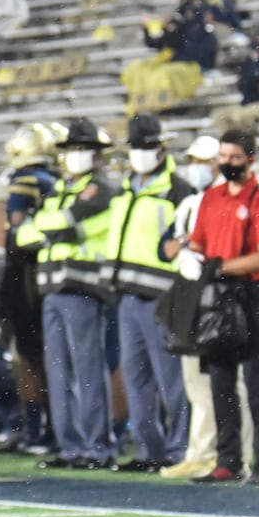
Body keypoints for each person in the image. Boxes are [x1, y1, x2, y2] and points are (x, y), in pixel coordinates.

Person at [178, 130, 259, 485]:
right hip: (217, 295)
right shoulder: (212, 197)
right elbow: (198, 244)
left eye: (235, 158)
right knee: (220, 380)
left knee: (257, 379)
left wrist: (219, 266)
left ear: (251, 159)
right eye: (223, 157)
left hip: (252, 293)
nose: (227, 164)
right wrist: (193, 260)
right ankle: (228, 460)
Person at [15, 118, 117, 470]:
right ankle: (71, 446)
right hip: (54, 287)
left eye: (84, 150)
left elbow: (56, 224)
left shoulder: (103, 189)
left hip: (83, 286)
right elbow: (24, 236)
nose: (77, 155)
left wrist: (52, 228)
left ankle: (97, 447)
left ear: (97, 155)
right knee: (58, 370)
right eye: (73, 149)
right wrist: (57, 228)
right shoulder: (59, 190)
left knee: (86, 369)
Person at [105, 115, 192, 472]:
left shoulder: (178, 190)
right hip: (128, 296)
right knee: (136, 377)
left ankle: (179, 450)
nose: (140, 153)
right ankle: (149, 450)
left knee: (171, 379)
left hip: (163, 296)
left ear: (162, 147)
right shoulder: (126, 188)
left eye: (147, 146)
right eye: (136, 147)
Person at [159, 136, 230, 479]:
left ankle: (225, 453)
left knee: (221, 380)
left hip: (216, 296)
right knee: (194, 380)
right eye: (195, 161)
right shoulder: (190, 202)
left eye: (204, 161)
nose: (197, 168)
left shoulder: (226, 199)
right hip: (189, 295)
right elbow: (166, 246)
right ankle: (200, 451)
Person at [0, 123, 58, 455]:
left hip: (26, 275)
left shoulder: (26, 180)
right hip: (45, 274)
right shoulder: (53, 179)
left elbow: (17, 231)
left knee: (31, 358)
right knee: (42, 355)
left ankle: (36, 430)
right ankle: (45, 427)